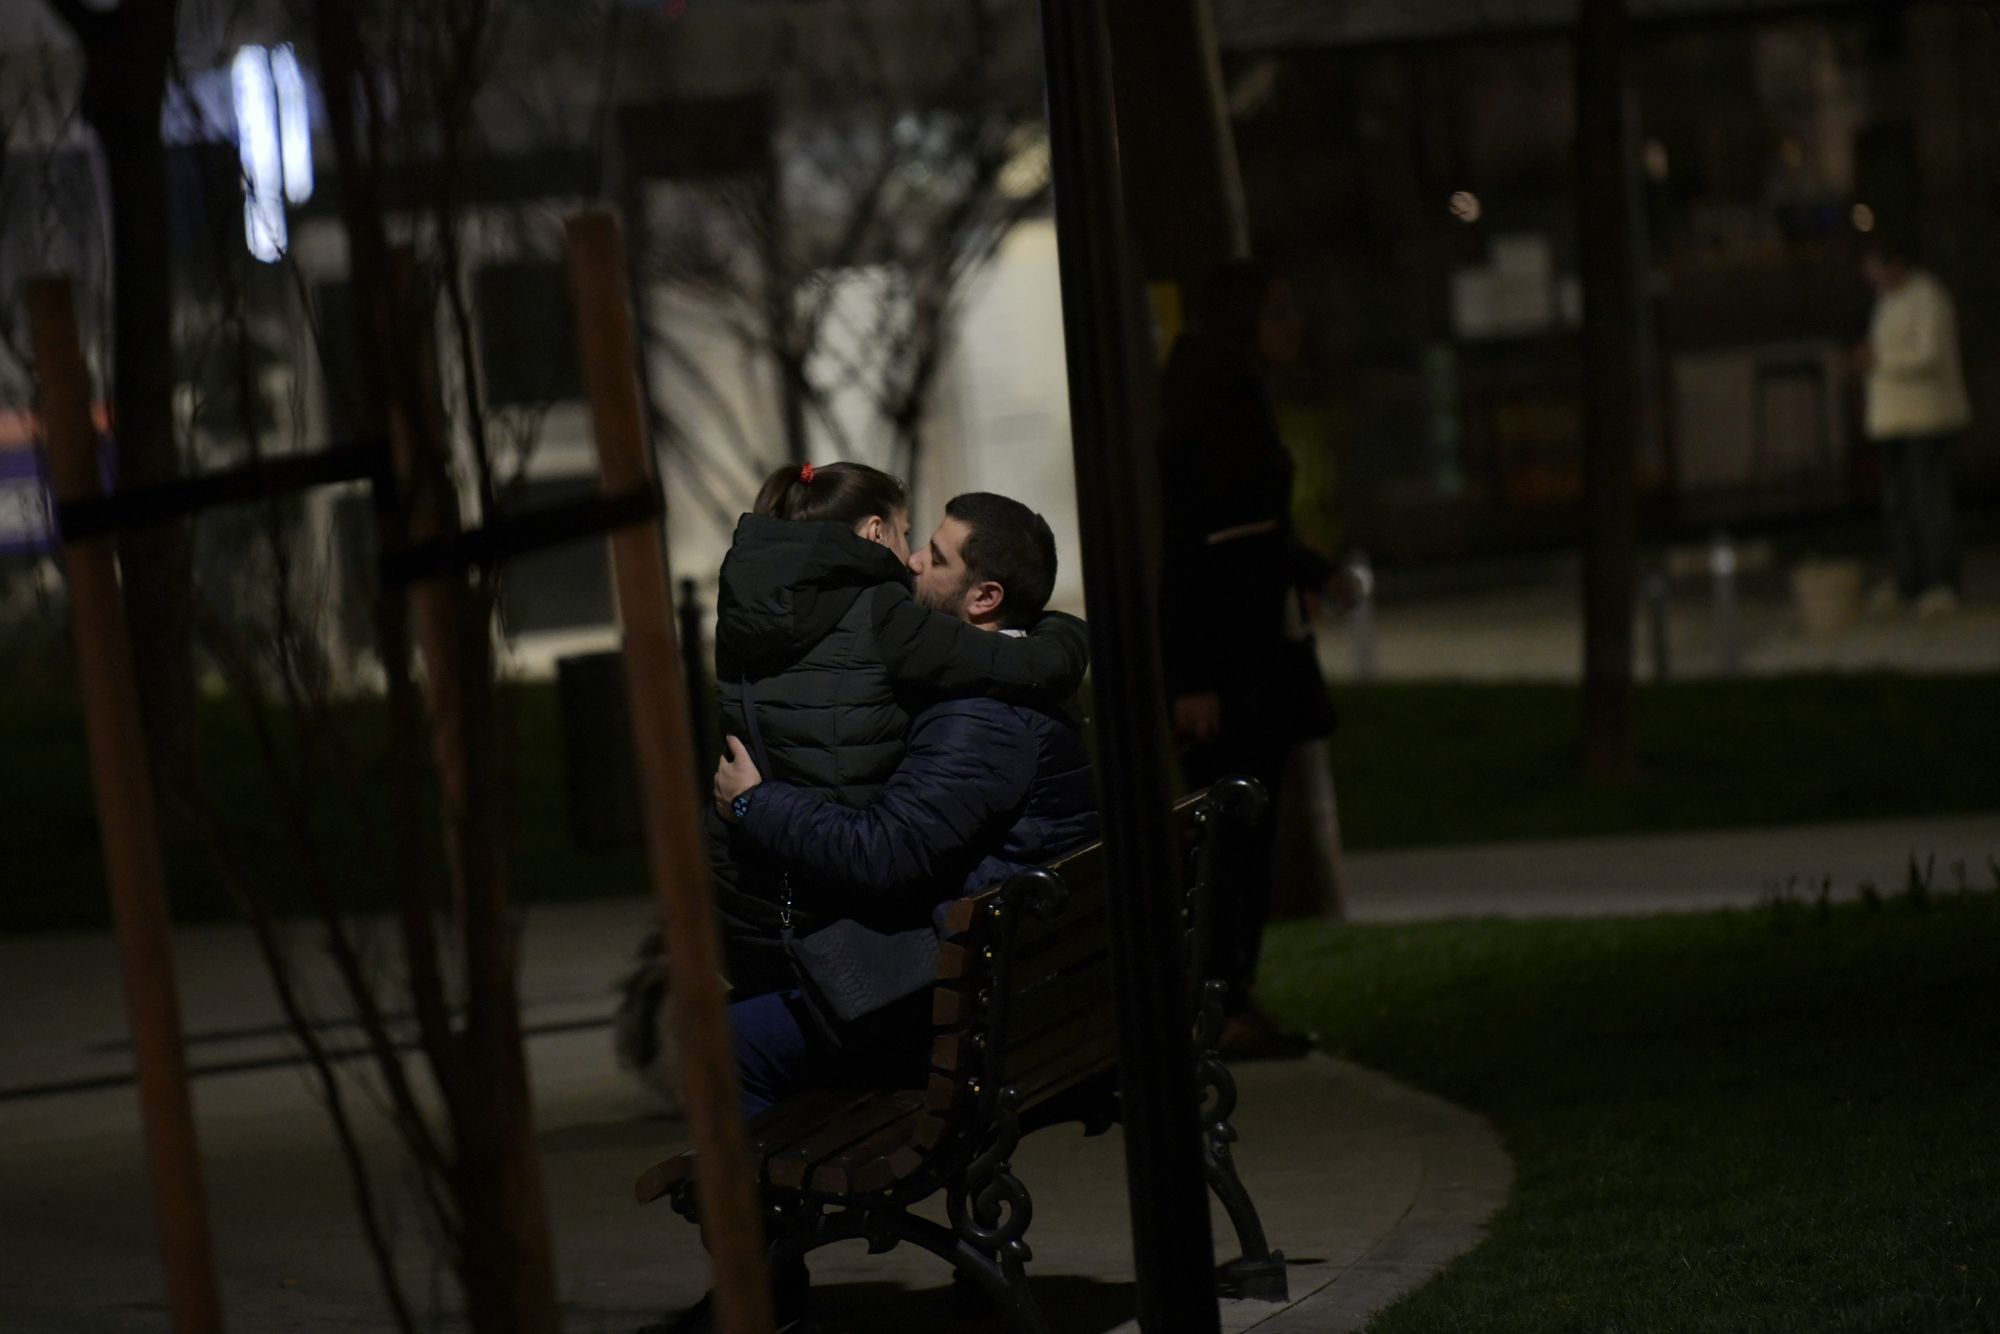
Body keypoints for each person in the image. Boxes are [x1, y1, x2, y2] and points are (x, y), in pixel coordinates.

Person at [714, 491, 1098, 1117]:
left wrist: (754, 803)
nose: (914, 560)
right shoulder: (1007, 688)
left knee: (722, 1045)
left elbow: (882, 853)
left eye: (937, 557)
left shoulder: (982, 722)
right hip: (994, 989)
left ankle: (796, 1184)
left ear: (984, 598)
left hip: (963, 1016)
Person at [1156, 259, 1346, 1060]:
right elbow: (1189, 550)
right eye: (1278, 312)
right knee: (1231, 834)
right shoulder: (1208, 405)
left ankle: (1231, 993)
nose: (1292, 326)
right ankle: (1220, 999)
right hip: (1228, 662)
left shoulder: (1230, 395)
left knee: (1244, 831)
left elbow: (1253, 532)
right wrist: (1192, 678)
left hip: (1250, 653)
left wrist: (1313, 572)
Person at [1856, 242, 1971, 617]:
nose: (1873, 277)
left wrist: (1880, 359)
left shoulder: (1928, 296)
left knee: (1929, 503)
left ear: (1896, 264)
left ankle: (1942, 582)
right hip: (1893, 420)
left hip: (1927, 418)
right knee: (1899, 505)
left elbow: (1928, 355)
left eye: (1877, 267)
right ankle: (1910, 581)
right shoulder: (1886, 300)